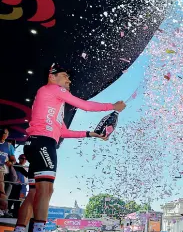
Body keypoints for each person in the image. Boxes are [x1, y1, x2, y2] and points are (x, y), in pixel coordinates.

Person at [14, 63, 126, 232]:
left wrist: (91, 134)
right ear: (52, 76)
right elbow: (86, 106)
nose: (69, 80)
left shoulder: (53, 103)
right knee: (47, 189)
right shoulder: (53, 89)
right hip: (44, 143)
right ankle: (38, 229)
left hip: (34, 144)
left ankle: (20, 229)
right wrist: (112, 107)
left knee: (34, 192)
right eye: (65, 76)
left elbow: (63, 132)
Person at [0, 128, 16, 213]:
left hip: (3, 170)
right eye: (2, 132)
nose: (3, 134)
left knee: (4, 189)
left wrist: (10, 162)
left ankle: (3, 208)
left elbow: (13, 159)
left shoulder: (9, 146)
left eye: (5, 133)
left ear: (7, 135)